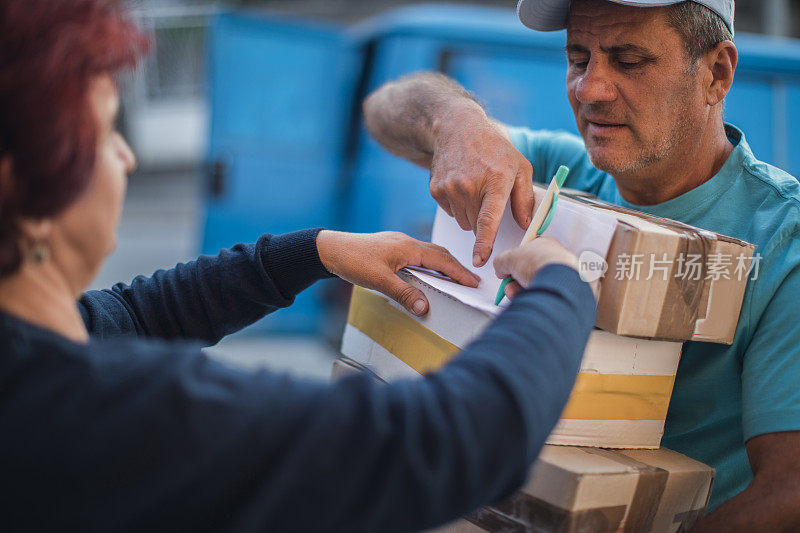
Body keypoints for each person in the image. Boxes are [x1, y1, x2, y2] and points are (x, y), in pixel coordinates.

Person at [0, 1, 597, 531]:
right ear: (22, 186)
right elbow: (449, 441)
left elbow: (134, 314)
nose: (126, 158)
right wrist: (560, 287)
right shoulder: (93, 417)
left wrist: (316, 252)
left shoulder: (36, 349)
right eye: (105, 133)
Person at [363, 0, 800, 529]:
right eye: (578, 58)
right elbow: (384, 108)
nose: (590, 89)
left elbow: (788, 490)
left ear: (716, 73)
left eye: (630, 60)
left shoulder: (781, 239)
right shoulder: (550, 174)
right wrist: (456, 122)